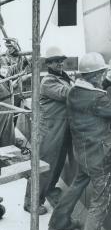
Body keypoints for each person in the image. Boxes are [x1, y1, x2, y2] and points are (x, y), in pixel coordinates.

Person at [48, 52, 111, 230]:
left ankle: (57, 223)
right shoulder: (96, 98)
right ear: (94, 75)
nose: (104, 75)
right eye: (102, 72)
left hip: (81, 152)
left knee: (76, 186)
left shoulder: (75, 90)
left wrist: (105, 82)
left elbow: (92, 96)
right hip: (97, 156)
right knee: (98, 207)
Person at [24, 46, 72, 215]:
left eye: (61, 60)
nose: (60, 63)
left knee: (57, 163)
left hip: (61, 128)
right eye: (55, 61)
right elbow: (68, 94)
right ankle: (31, 202)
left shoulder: (62, 77)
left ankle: (49, 189)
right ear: (49, 64)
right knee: (44, 165)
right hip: (49, 130)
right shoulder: (49, 81)